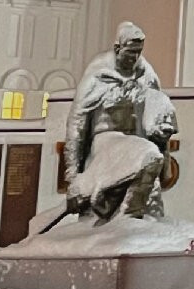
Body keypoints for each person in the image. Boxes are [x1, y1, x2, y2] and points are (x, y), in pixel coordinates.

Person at [62, 21, 178, 222]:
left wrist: (162, 137)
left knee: (153, 196)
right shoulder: (99, 75)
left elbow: (159, 111)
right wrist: (73, 175)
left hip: (135, 142)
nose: (134, 57)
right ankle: (126, 221)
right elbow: (77, 125)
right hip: (105, 143)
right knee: (149, 157)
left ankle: (138, 230)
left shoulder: (146, 74)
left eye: (138, 52)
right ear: (118, 48)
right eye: (130, 52)